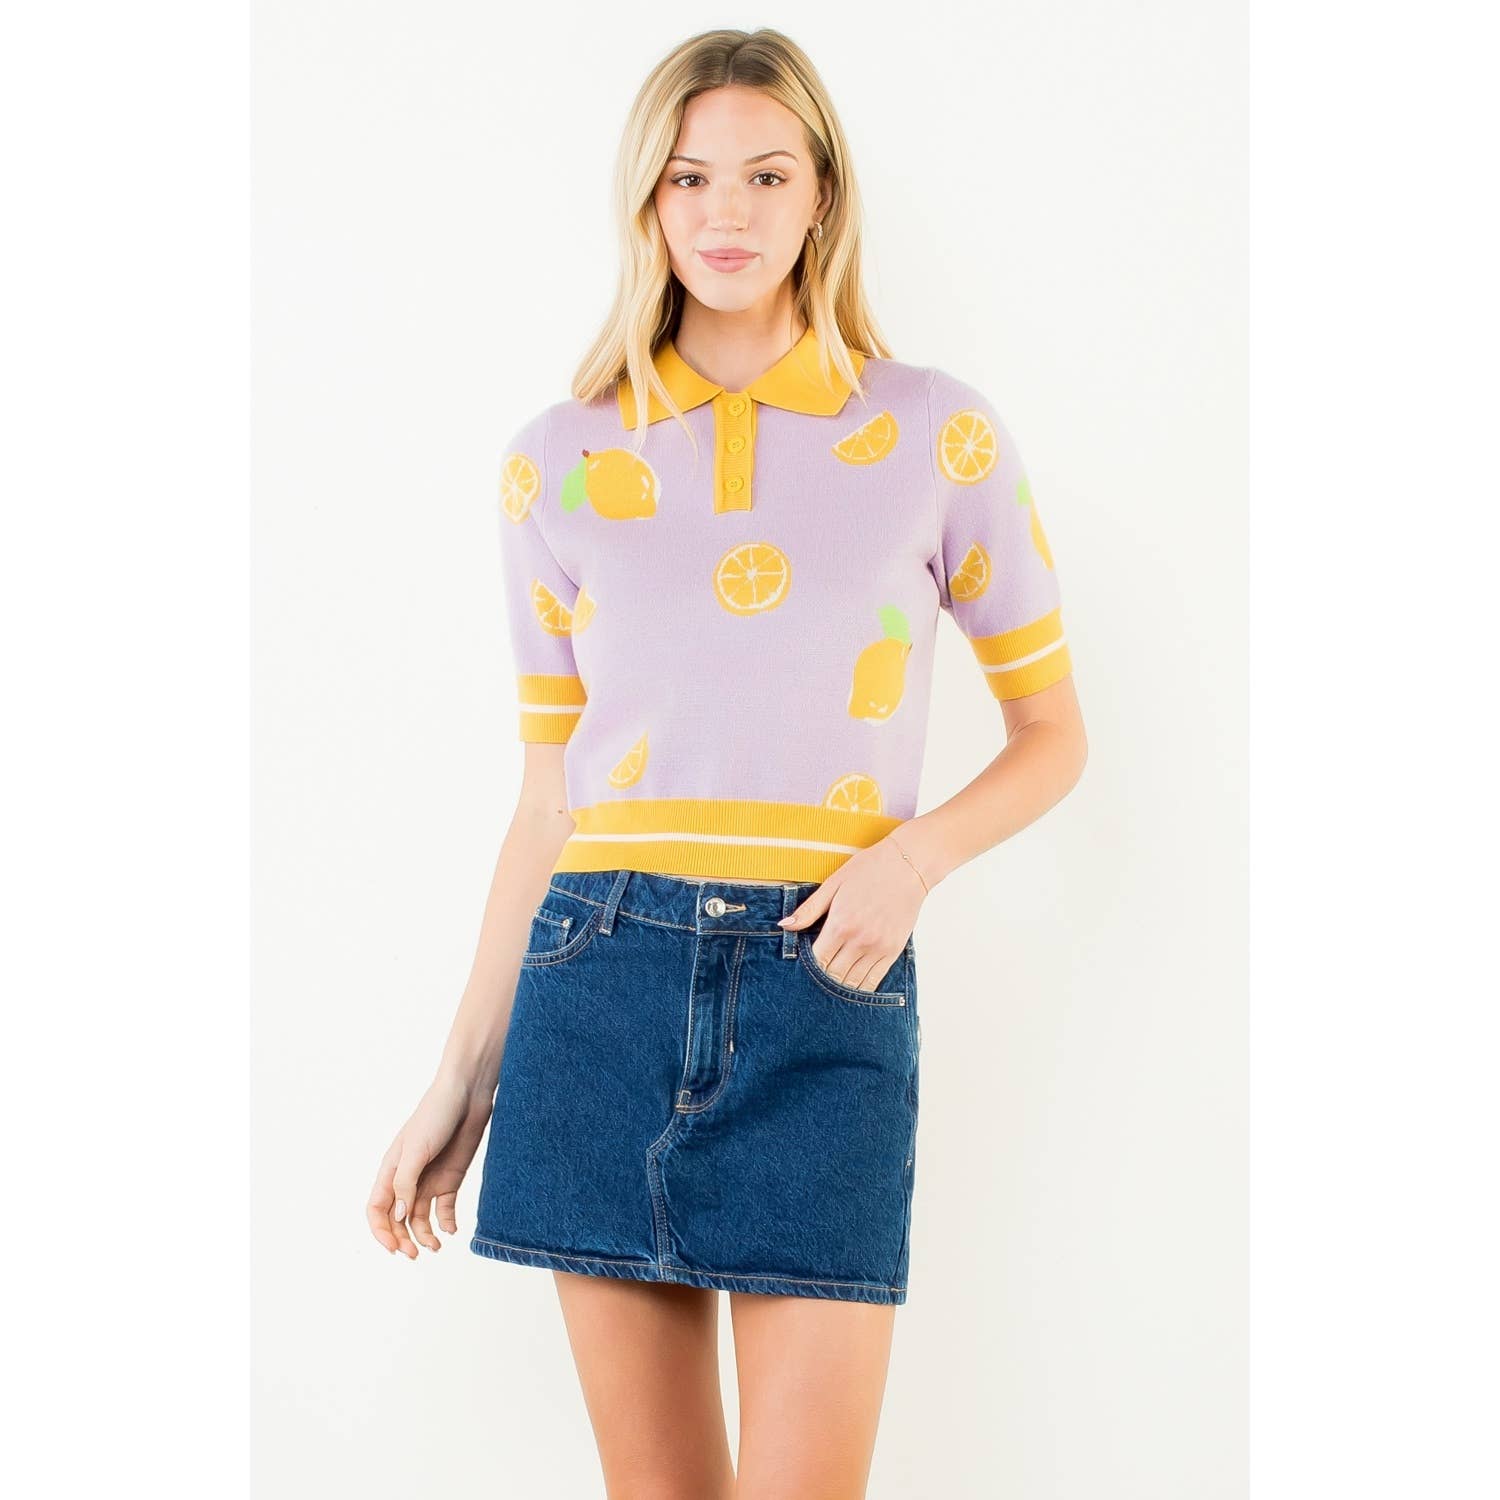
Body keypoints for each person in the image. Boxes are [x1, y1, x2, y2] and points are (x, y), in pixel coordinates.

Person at [366, 25, 1087, 1499]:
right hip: (598, 986)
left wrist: (910, 862)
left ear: (823, 194)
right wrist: (462, 1079)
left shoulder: (935, 433)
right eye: (690, 177)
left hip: (827, 986)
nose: (727, 211)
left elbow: (1055, 736)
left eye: (766, 173)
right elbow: (548, 803)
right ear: (648, 199)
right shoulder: (558, 460)